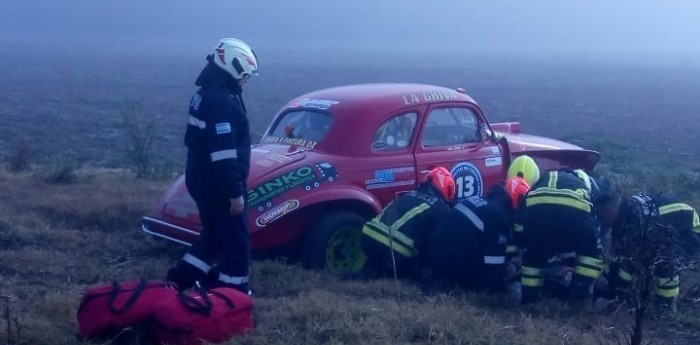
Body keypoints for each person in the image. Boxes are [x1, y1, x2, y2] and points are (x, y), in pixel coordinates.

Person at [165, 38, 259, 295]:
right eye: (246, 75)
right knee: (237, 242)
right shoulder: (221, 101)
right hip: (217, 183)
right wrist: (234, 193)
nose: (246, 81)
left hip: (201, 178)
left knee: (214, 236)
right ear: (235, 68)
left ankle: (179, 279)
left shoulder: (207, 93)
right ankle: (234, 293)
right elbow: (223, 154)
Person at [508, 155, 604, 305]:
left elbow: (520, 223)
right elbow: (596, 217)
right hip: (575, 209)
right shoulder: (585, 181)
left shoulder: (540, 181)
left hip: (538, 208)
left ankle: (529, 301)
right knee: (590, 253)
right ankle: (579, 298)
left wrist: (523, 245)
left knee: (534, 256)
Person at [595, 187, 700, 314]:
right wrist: (614, 291)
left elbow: (641, 257)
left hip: (688, 230)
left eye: (603, 215)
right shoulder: (623, 217)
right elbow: (621, 257)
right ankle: (623, 296)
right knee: (630, 259)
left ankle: (666, 308)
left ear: (610, 211)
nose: (601, 220)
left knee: (664, 261)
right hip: (665, 229)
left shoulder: (642, 221)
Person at [426, 176, 531, 294]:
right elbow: (494, 267)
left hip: (432, 256)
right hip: (453, 266)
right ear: (518, 200)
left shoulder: (480, 201)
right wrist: (501, 293)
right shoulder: (499, 217)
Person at [361, 167, 454, 280]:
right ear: (447, 188)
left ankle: (373, 271)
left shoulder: (409, 194)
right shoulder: (441, 208)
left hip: (368, 237)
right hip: (393, 251)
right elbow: (438, 242)